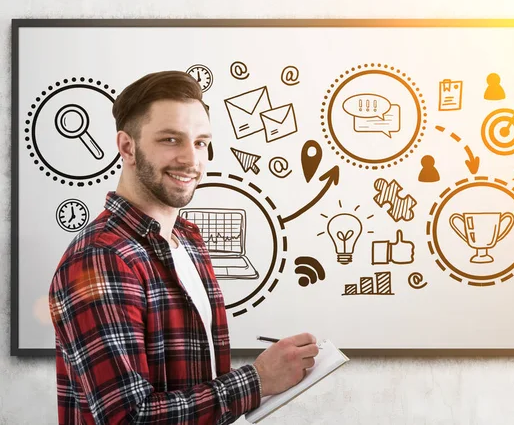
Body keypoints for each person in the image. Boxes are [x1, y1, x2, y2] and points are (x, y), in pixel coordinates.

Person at [48, 70, 319, 424]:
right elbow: (130, 417)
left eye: (201, 142)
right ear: (127, 147)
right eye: (171, 140)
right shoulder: (102, 256)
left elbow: (197, 383)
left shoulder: (188, 239)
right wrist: (258, 379)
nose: (191, 160)